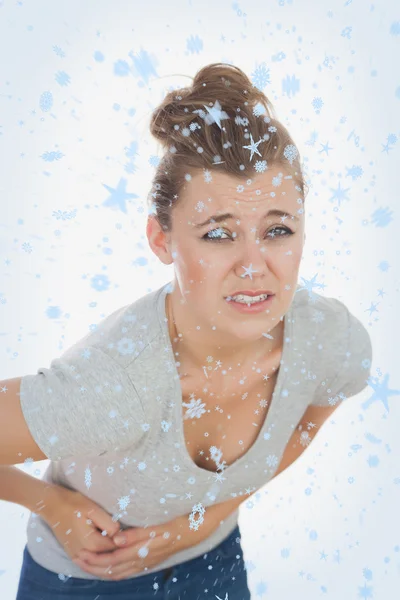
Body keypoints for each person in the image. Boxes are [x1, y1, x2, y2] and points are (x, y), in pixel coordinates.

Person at [0, 62, 372, 599]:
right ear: (162, 240)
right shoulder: (113, 387)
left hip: (212, 560)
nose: (253, 265)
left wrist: (198, 524)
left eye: (277, 229)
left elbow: (309, 420)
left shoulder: (330, 343)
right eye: (218, 234)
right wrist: (49, 502)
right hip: (86, 580)